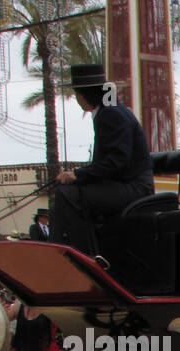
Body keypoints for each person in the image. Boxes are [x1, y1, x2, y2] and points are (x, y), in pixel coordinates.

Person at [48, 63, 154, 257]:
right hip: (124, 185)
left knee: (66, 194)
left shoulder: (111, 114)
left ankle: (84, 257)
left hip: (134, 188)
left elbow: (117, 161)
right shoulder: (110, 110)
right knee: (57, 206)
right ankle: (63, 254)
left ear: (82, 95)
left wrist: (76, 175)